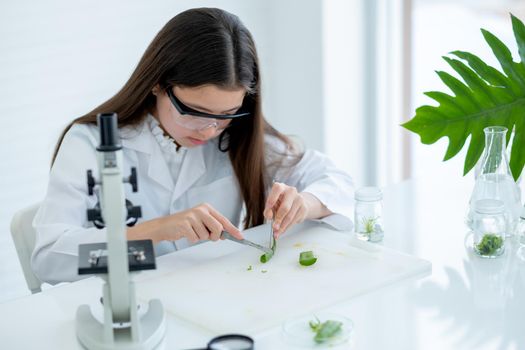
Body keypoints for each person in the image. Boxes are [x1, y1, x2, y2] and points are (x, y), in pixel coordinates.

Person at [31, 7, 354, 284]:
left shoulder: (237, 136)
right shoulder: (89, 143)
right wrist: (155, 231)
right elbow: (47, 261)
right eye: (194, 112)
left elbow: (340, 184)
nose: (210, 130)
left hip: (209, 297)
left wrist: (306, 203)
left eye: (226, 115)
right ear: (157, 83)